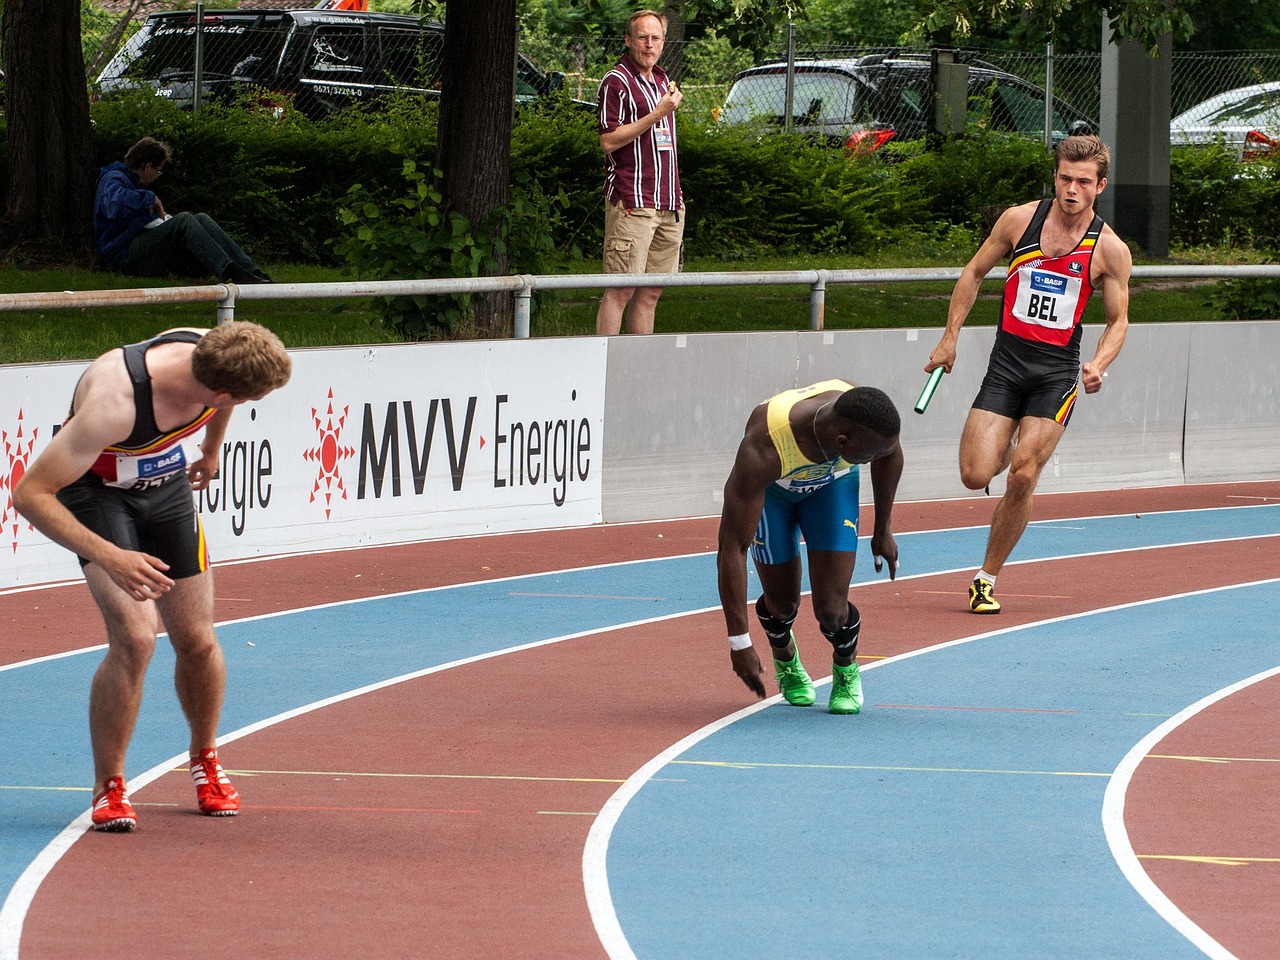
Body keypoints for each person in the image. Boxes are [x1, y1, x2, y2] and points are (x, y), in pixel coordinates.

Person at [12, 322, 293, 832]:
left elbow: (223, 400)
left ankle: (205, 758)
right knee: (137, 640)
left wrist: (210, 449)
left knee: (197, 639)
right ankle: (109, 786)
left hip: (164, 488)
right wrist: (112, 557)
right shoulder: (114, 402)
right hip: (96, 495)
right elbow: (29, 494)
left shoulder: (214, 348)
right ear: (222, 389)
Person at [924, 134, 1132, 615]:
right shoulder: (1019, 220)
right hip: (1006, 365)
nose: (1071, 189)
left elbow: (1119, 319)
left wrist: (1098, 365)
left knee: (1021, 477)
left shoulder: (1110, 250)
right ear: (1055, 177)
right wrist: (949, 337)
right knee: (976, 475)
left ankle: (985, 578)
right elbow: (973, 273)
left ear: (1099, 186)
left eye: (1083, 181)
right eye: (1064, 178)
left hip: (1055, 374)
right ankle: (1014, 442)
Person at [717, 381, 904, 714]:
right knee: (781, 605)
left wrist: (883, 529)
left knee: (832, 611)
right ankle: (785, 656)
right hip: (774, 493)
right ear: (842, 442)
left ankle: (845, 668)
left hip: (831, 488)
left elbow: (889, 454)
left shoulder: (867, 420)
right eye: (868, 457)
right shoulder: (764, 446)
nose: (873, 459)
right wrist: (739, 642)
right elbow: (732, 549)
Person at [595, 10, 684, 336]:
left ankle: (636, 369)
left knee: (651, 292)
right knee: (621, 289)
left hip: (668, 202)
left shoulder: (662, 79)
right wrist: (657, 113)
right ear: (628, 40)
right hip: (633, 200)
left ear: (663, 41)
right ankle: (603, 368)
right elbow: (608, 141)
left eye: (656, 38)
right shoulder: (616, 81)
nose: (649, 45)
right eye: (643, 38)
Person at [94, 137, 273, 284]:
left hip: (138, 243)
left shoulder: (133, 183)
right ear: (147, 166)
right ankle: (230, 270)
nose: (157, 177)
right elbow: (114, 204)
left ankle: (251, 271)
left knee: (201, 218)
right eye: (157, 171)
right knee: (184, 220)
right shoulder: (113, 178)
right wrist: (149, 198)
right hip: (122, 254)